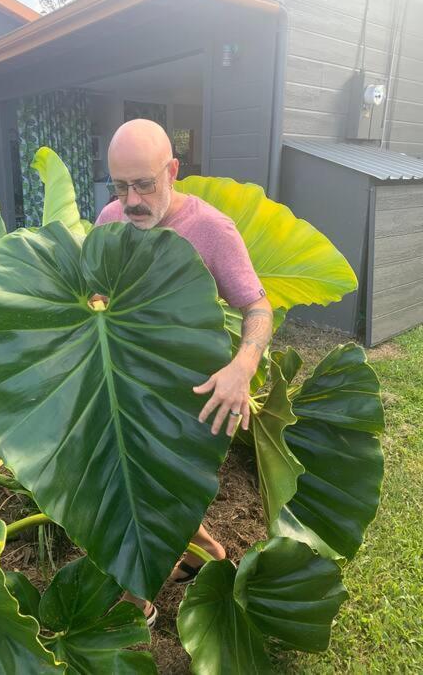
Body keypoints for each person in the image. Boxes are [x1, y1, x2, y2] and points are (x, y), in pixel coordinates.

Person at [94, 119, 273, 626]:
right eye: (120, 185)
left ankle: (135, 602)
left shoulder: (212, 229)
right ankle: (205, 554)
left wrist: (243, 365)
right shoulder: (111, 218)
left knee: (159, 486)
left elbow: (258, 307)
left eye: (144, 183)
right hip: (121, 381)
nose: (130, 201)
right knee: (132, 481)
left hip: (187, 391)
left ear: (172, 171)